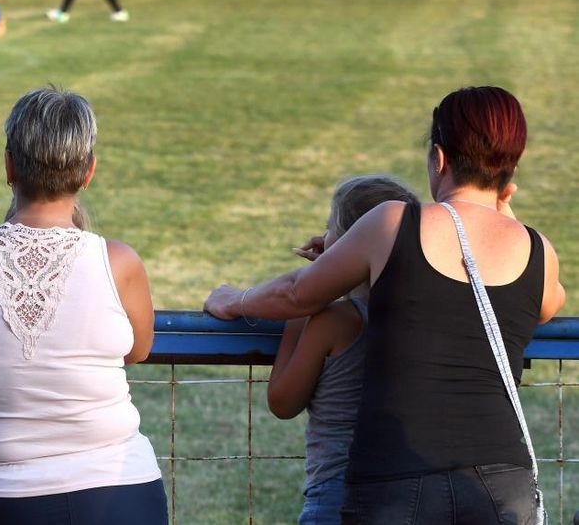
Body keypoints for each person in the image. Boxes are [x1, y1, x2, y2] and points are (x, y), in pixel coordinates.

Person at [205, 86, 566, 523]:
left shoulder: (396, 222)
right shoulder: (539, 250)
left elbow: (297, 293)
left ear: (438, 157)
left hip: (399, 477)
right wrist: (501, 206)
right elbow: (548, 305)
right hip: (503, 481)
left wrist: (234, 300)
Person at [0, 86, 167, 525]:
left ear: (9, 165)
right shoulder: (119, 262)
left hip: (5, 497)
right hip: (121, 489)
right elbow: (138, 350)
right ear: (89, 171)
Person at [267, 175, 418, 525]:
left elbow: (283, 401)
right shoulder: (417, 318)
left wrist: (302, 306)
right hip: (406, 492)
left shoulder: (333, 321)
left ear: (352, 242)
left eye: (329, 226)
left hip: (338, 492)